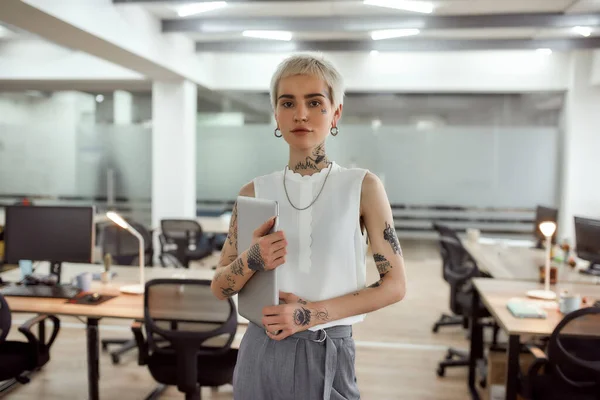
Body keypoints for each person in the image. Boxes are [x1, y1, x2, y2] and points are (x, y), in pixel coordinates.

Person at [210, 53, 407, 400]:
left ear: (336, 112)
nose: (301, 114)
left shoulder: (363, 187)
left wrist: (308, 315)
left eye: (315, 102)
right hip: (260, 348)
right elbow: (219, 286)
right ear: (276, 114)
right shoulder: (252, 193)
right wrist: (251, 260)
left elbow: (395, 286)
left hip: (327, 344)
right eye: (288, 102)